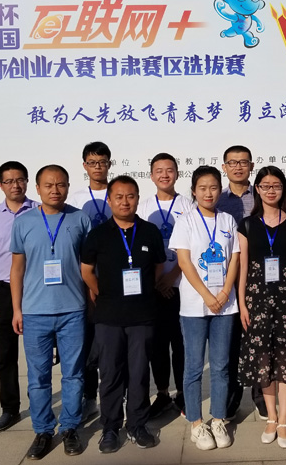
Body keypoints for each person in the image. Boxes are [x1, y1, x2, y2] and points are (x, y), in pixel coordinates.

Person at [10, 165, 92, 460]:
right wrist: (17, 309)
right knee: (38, 377)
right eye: (48, 185)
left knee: (74, 374)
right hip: (35, 312)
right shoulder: (23, 222)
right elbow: (16, 269)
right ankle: (43, 430)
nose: (55, 190)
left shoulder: (80, 219)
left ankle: (70, 427)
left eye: (61, 184)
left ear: (68, 186)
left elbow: (88, 265)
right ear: (37, 188)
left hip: (73, 310)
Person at [80, 176, 166, 454]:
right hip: (108, 316)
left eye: (130, 196)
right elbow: (86, 271)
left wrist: (145, 290)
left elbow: (158, 267)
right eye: (119, 196)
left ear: (138, 199)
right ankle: (110, 427)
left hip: (142, 315)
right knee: (110, 374)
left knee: (139, 373)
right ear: (109, 200)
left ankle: (138, 425)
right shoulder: (98, 234)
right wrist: (103, 293)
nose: (125, 202)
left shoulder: (150, 231)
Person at [169, 166, 241, 451]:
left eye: (213, 187)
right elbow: (184, 262)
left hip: (225, 305)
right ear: (194, 191)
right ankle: (197, 423)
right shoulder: (185, 221)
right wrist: (206, 295)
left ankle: (219, 419)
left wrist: (223, 293)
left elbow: (234, 259)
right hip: (194, 306)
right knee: (194, 367)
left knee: (221, 366)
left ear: (219, 190)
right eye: (202, 188)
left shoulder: (227, 220)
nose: (208, 193)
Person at [238, 166, 286, 449]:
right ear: (257, 189)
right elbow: (243, 266)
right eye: (265, 185)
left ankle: (283, 420)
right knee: (263, 358)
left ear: (283, 189)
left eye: (276, 185)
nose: (271, 190)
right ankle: (270, 417)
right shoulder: (246, 225)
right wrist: (242, 303)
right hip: (256, 299)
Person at [0, 161, 38, 432]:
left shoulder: (39, 211)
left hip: (34, 288)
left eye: (20, 179)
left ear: (27, 182)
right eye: (9, 181)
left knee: (38, 352)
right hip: (3, 288)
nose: (16, 185)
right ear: (0, 185)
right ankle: (9, 408)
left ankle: (39, 402)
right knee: (6, 353)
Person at [136, 153, 194, 417]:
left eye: (169, 170)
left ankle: (182, 392)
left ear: (177, 174)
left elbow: (194, 245)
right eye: (159, 170)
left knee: (181, 344)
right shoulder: (143, 207)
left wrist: (172, 277)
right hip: (154, 288)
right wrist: (158, 281)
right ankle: (161, 392)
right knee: (158, 344)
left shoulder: (188, 205)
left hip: (183, 285)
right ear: (151, 175)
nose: (164, 175)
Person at [217, 145, 266, 419]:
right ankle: (231, 399)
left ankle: (260, 396)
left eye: (243, 162)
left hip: (258, 276)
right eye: (232, 162)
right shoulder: (216, 198)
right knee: (231, 343)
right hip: (224, 278)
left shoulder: (260, 195)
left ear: (251, 165)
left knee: (258, 340)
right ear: (224, 166)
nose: (238, 167)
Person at [67, 141, 113, 419]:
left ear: (109, 164)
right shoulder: (76, 199)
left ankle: (117, 392)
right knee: (87, 342)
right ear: (85, 165)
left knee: (113, 339)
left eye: (102, 162)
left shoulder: (118, 192)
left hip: (117, 278)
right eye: (92, 163)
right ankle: (88, 397)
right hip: (85, 278)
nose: (98, 167)